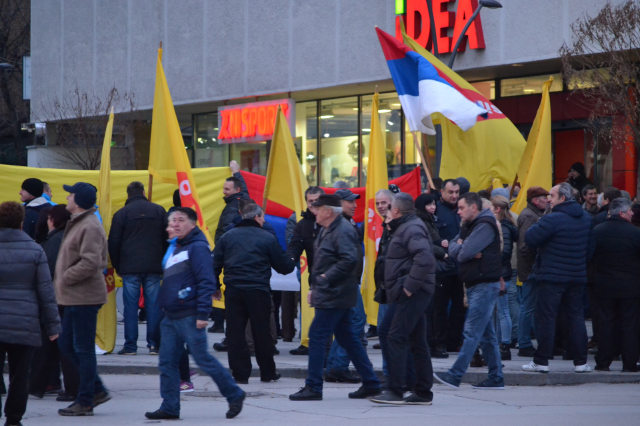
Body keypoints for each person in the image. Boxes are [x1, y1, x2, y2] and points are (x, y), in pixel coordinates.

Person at [146, 207, 246, 420]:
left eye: (180, 220)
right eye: (172, 220)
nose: (174, 224)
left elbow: (206, 281)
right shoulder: (177, 246)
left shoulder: (198, 247)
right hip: (171, 315)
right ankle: (170, 407)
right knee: (166, 363)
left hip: (190, 314)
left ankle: (235, 393)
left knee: (203, 359)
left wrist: (203, 313)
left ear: (192, 223)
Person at [289, 194, 381, 401]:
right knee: (349, 339)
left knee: (317, 335)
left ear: (328, 211)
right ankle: (372, 383)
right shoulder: (329, 229)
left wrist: (324, 278)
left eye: (318, 208)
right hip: (331, 292)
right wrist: (315, 285)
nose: (314, 211)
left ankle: (313, 386)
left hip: (336, 294)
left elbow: (350, 259)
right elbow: (324, 261)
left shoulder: (343, 229)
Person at [213, 203, 294, 384]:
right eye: (263, 217)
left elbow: (214, 263)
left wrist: (215, 286)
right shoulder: (267, 238)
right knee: (262, 332)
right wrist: (293, 256)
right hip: (258, 291)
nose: (264, 220)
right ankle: (268, 373)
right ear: (257, 217)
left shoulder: (227, 237)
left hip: (234, 290)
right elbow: (284, 267)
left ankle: (240, 375)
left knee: (235, 333)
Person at [434, 192, 505, 390]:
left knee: (471, 331)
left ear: (473, 208)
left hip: (484, 285)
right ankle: (496, 377)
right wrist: (462, 247)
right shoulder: (469, 225)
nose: (458, 212)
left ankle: (455, 375)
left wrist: (462, 247)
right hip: (476, 284)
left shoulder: (484, 225)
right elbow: (453, 250)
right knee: (487, 336)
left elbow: (463, 252)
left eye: (461, 208)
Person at [522, 183, 594, 374]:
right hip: (577, 276)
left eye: (551, 196)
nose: (548, 200)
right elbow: (590, 250)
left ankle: (542, 361)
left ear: (562, 199)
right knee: (576, 318)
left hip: (551, 277)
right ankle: (580, 362)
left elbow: (529, 239)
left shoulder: (552, 219)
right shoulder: (586, 219)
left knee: (546, 318)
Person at [0, 201, 61, 426]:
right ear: (22, 222)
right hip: (24, 323)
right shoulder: (35, 250)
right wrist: (53, 326)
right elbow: (46, 291)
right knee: (20, 375)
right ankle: (14, 420)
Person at [372, 193, 435, 405]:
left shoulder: (412, 228)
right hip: (408, 291)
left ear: (396, 210)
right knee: (416, 341)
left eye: (388, 207)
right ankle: (423, 392)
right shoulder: (404, 226)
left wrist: (408, 287)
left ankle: (396, 390)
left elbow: (424, 258)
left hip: (413, 292)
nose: (386, 211)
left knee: (396, 336)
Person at [54, 183, 111, 416]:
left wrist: (66, 277)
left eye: (70, 194)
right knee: (67, 345)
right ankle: (96, 389)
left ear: (78, 201)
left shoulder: (89, 226)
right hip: (73, 297)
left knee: (83, 349)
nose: (67, 197)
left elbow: (91, 261)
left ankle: (86, 399)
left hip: (84, 297)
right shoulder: (79, 223)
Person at [109, 181, 167, 356]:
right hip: (154, 266)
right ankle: (154, 345)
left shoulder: (121, 214)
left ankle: (130, 346)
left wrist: (118, 266)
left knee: (130, 307)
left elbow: (113, 243)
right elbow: (167, 238)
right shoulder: (159, 210)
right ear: (143, 193)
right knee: (154, 306)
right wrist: (163, 262)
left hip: (129, 267)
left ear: (128, 195)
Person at [29, 205, 74, 399]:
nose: (47, 221)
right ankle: (51, 381)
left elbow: (49, 271)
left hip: (55, 297)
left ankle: (45, 382)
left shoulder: (56, 240)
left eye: (49, 218)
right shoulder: (62, 237)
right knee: (56, 341)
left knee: (51, 341)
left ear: (54, 220)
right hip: (61, 297)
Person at [323, 188, 368, 383]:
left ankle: (334, 366)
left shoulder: (347, 223)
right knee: (357, 321)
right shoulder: (338, 225)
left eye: (354, 201)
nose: (354, 204)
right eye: (349, 201)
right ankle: (338, 366)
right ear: (338, 204)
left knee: (344, 325)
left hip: (347, 282)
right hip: (344, 283)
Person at [593, 199, 640, 372]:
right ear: (621, 213)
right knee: (630, 324)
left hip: (605, 286)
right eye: (630, 210)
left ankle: (603, 362)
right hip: (631, 287)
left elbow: (590, 257)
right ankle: (629, 363)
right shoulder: (635, 233)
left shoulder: (597, 231)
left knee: (606, 323)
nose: (633, 213)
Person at [286, 187, 325, 356]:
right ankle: (325, 366)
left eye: (317, 200)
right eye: (310, 201)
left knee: (341, 328)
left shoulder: (335, 221)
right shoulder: (302, 225)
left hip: (339, 283)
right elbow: (295, 245)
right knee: (322, 328)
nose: (314, 204)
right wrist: (288, 261)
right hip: (317, 282)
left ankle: (331, 364)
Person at [414, 192, 449, 359]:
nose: (432, 207)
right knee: (430, 310)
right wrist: (442, 252)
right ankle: (429, 344)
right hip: (428, 268)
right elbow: (426, 244)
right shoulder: (422, 221)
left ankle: (432, 343)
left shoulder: (431, 219)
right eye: (429, 204)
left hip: (432, 266)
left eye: (434, 203)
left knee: (434, 309)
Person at [516, 186, 549, 357]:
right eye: (545, 198)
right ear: (535, 201)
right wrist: (534, 265)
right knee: (528, 306)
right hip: (531, 269)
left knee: (531, 306)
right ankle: (524, 343)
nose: (548, 200)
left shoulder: (534, 214)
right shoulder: (529, 216)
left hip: (532, 268)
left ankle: (528, 342)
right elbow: (524, 245)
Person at [433, 179, 465, 355]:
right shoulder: (436, 211)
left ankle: (454, 341)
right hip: (442, 268)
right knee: (440, 308)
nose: (454, 195)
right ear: (442, 192)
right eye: (450, 192)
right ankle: (440, 343)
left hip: (460, 268)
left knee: (459, 307)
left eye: (456, 192)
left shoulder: (462, 210)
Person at [490, 195, 518, 361]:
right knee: (499, 311)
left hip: (500, 273)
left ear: (497, 209)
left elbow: (504, 251)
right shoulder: (506, 225)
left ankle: (505, 347)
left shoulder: (504, 227)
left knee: (502, 311)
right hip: (501, 272)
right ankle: (501, 344)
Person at [214, 160, 249, 244]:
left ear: (237, 190)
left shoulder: (232, 209)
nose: (223, 192)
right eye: (223, 188)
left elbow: (226, 233)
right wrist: (236, 172)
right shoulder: (243, 199)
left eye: (227, 189)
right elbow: (244, 190)